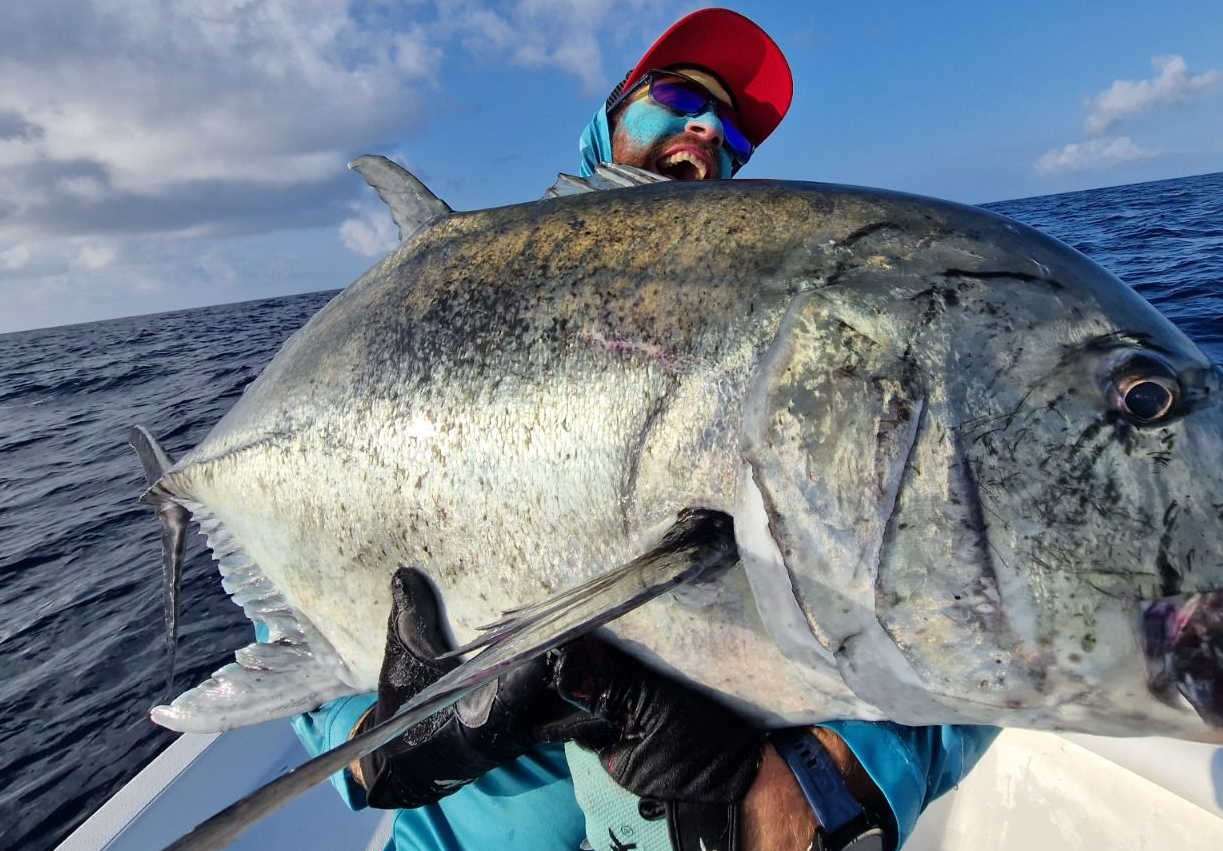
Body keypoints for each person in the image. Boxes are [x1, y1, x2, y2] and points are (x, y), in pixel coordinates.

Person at [292, 10, 996, 851]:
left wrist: (824, 777)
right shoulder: (432, 338)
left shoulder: (764, 345)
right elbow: (298, 633)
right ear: (607, 120)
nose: (710, 130)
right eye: (678, 97)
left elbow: (977, 628)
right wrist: (383, 749)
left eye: (734, 131)